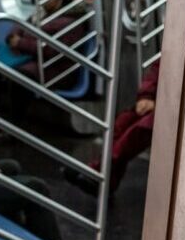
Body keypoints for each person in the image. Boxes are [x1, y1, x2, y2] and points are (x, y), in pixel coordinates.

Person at [67, 62, 159, 196]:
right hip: (166, 102)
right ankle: (105, 179)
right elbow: (160, 68)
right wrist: (146, 96)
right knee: (123, 122)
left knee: (140, 130)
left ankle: (99, 173)